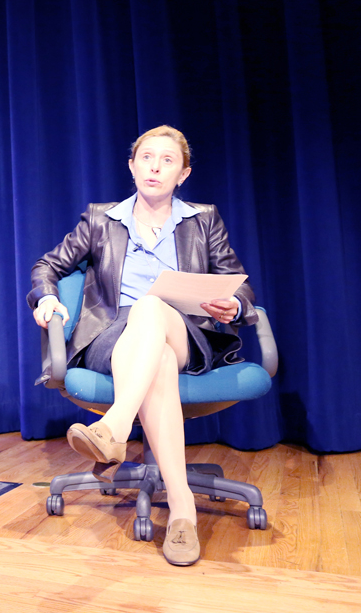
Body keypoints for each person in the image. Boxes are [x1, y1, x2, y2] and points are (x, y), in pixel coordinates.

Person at [28, 125, 257, 567]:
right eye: (146, 157)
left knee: (153, 308)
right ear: (132, 166)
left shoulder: (203, 219)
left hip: (186, 332)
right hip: (111, 339)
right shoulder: (100, 219)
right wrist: (49, 297)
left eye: (167, 160)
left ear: (183, 174)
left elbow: (242, 286)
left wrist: (233, 303)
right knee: (159, 360)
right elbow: (47, 266)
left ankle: (115, 428)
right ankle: (183, 511)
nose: (155, 166)